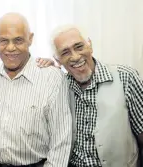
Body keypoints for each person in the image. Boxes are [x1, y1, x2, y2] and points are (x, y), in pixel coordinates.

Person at [37, 24, 143, 167]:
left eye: (79, 47)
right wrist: (49, 71)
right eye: (65, 53)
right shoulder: (59, 86)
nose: (75, 56)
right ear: (58, 60)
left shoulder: (126, 77)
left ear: (90, 46)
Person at [0, 13, 72, 167]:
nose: (11, 48)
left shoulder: (52, 78)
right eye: (4, 41)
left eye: (18, 40)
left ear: (30, 39)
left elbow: (61, 142)